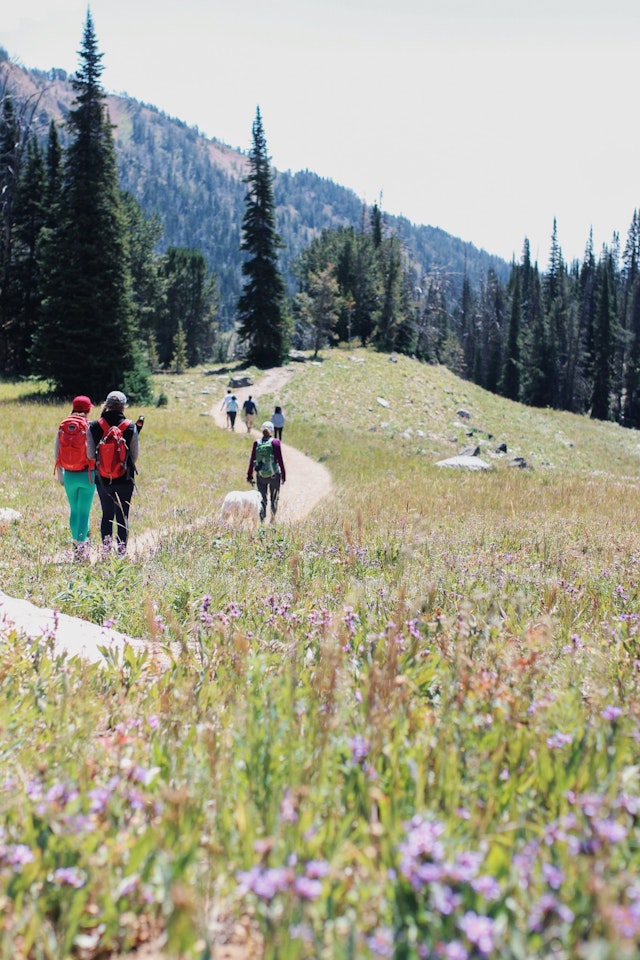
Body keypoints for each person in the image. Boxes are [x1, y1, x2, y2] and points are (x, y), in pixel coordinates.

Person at [88, 390, 140, 558]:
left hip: (103, 479)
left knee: (107, 515)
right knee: (122, 515)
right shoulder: (130, 426)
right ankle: (122, 553)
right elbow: (135, 456)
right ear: (124, 406)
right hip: (125, 479)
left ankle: (105, 552)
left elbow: (90, 455)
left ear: (106, 404)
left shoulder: (95, 426)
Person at [54, 395, 96, 562]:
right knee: (84, 513)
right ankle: (80, 551)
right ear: (88, 409)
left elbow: (56, 451)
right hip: (87, 475)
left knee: (74, 510)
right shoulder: (90, 426)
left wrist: (60, 474)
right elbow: (93, 451)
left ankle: (75, 544)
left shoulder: (64, 425)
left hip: (69, 475)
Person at [247, 421, 286, 523]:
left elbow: (252, 460)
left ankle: (262, 519)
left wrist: (249, 475)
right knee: (274, 498)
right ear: (272, 430)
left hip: (260, 475)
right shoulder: (276, 442)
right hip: (274, 475)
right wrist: (283, 475)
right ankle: (272, 519)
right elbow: (280, 460)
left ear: (261, 430)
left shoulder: (257, 443)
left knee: (262, 498)